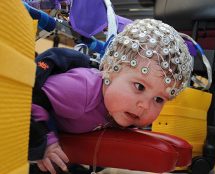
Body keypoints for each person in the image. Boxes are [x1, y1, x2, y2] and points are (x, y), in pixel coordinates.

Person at [30, 18, 194, 174]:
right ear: (110, 68)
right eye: (139, 86)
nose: (144, 106)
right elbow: (29, 96)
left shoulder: (123, 109)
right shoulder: (80, 90)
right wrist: (46, 141)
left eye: (158, 99)